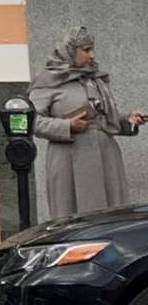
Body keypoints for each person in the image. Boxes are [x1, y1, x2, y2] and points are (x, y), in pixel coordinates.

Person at [29, 27, 147, 217]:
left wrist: (128, 120)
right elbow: (32, 121)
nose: (92, 55)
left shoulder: (95, 79)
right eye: (86, 50)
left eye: (93, 49)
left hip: (106, 157)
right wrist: (66, 126)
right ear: (69, 51)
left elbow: (106, 118)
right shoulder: (48, 81)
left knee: (111, 217)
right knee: (74, 218)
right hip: (69, 159)